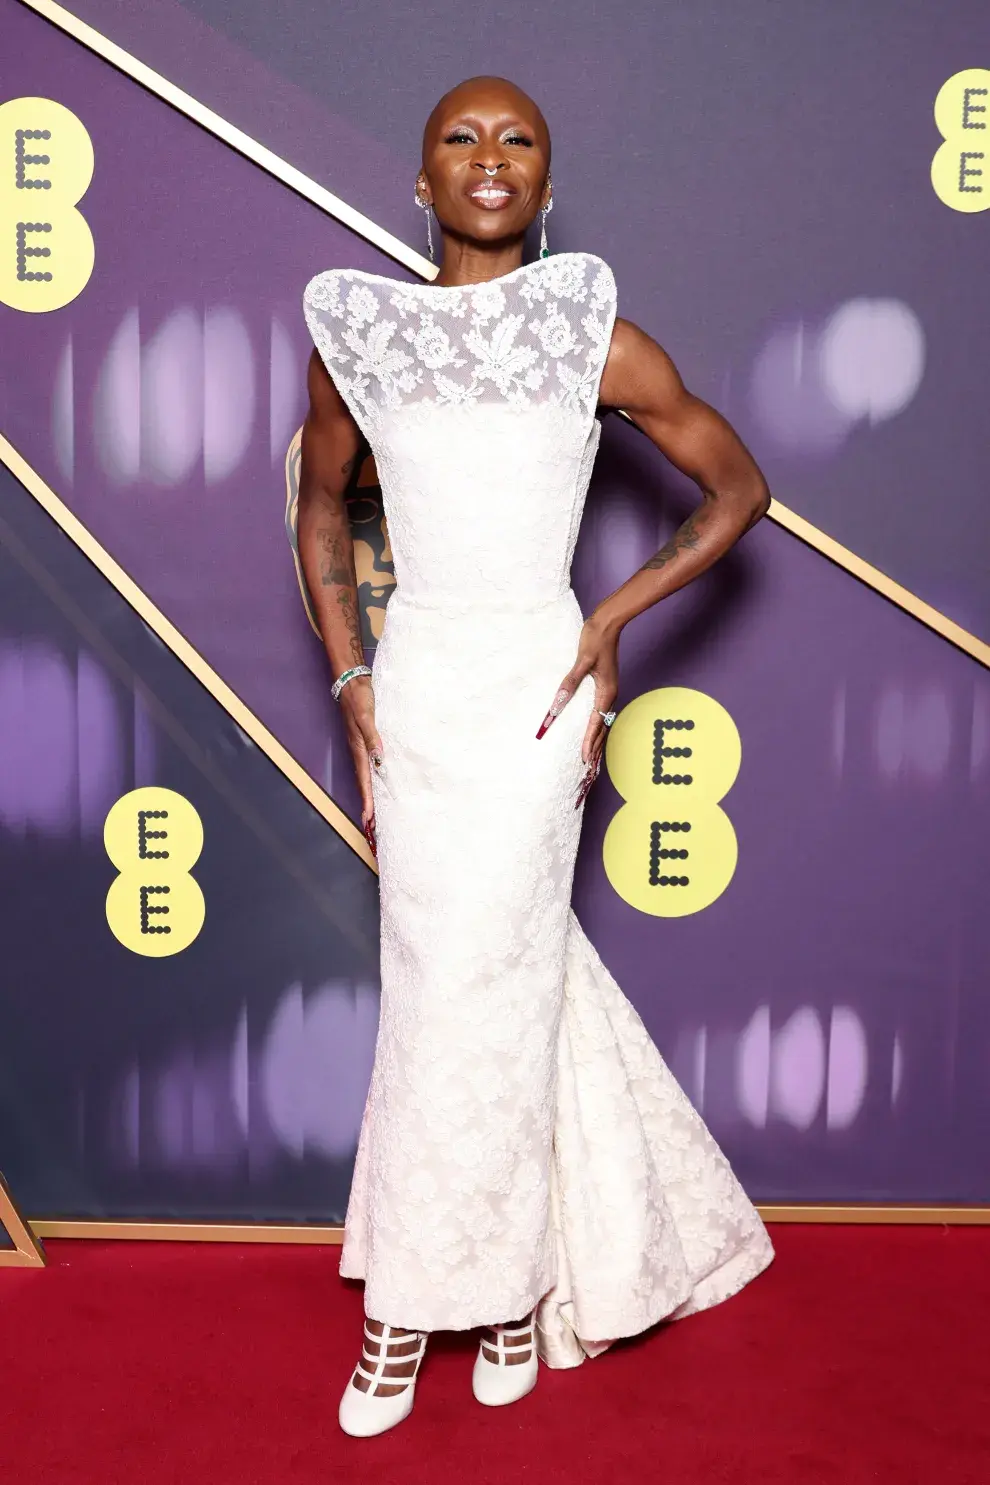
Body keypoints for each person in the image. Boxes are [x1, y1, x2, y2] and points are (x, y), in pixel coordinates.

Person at [298, 75, 775, 1439]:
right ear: (419, 179)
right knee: (449, 981)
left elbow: (736, 487)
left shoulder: (589, 337)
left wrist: (611, 618)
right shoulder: (360, 336)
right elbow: (320, 500)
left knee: (477, 991)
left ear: (546, 186)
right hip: (419, 690)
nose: (489, 157)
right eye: (461, 136)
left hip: (534, 694)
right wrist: (348, 676)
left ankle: (446, 1304)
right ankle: (455, 1297)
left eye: (518, 140)